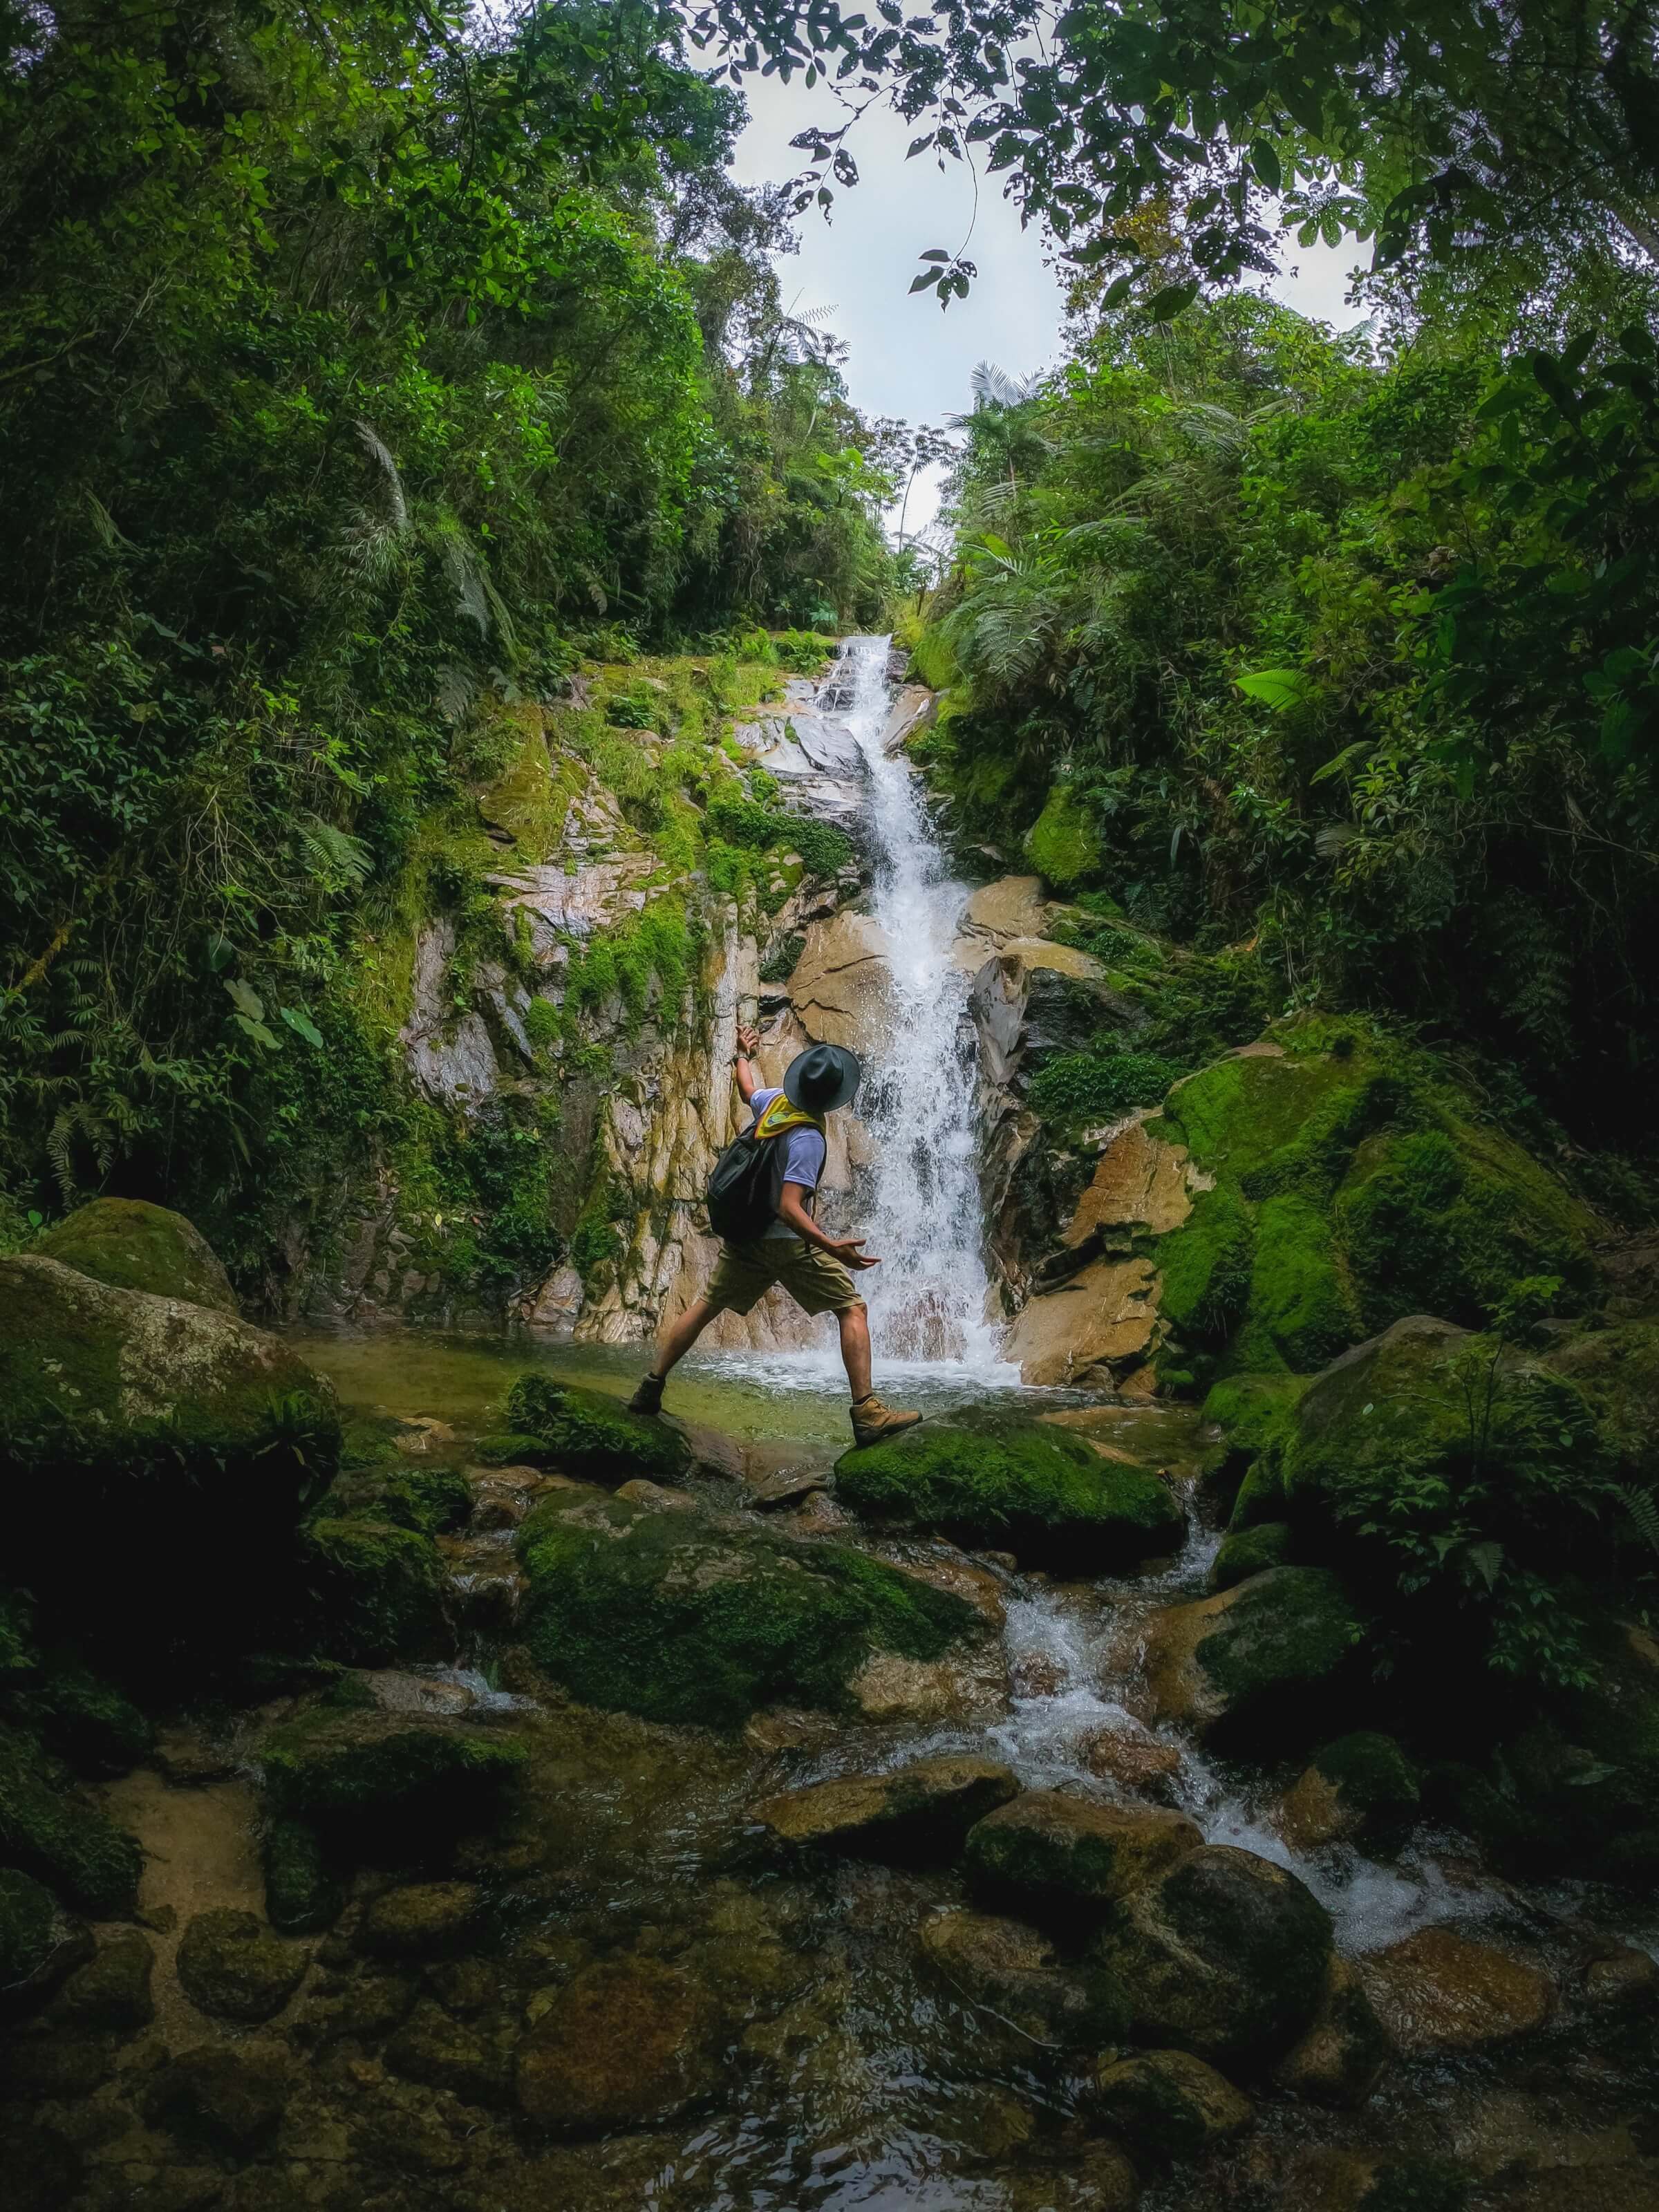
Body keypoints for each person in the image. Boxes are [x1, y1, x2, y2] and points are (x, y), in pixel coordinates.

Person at [628, 1025, 923, 1447]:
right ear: (834, 1098)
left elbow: (748, 1089)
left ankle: (651, 1387)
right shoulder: (808, 1138)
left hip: (746, 1237)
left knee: (707, 1305)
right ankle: (867, 1413)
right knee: (852, 1308)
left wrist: (743, 1054)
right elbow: (788, 1206)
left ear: (799, 1083)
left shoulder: (774, 1104)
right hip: (784, 1241)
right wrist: (831, 1246)